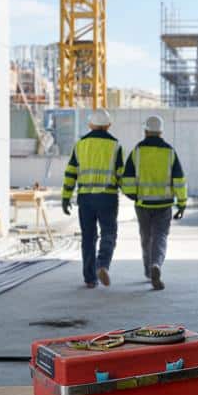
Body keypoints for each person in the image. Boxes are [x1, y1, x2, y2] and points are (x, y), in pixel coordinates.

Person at [121, 114, 187, 291]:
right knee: (160, 237)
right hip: (164, 204)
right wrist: (182, 203)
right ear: (161, 131)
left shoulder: (137, 151)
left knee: (146, 237)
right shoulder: (169, 151)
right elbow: (179, 179)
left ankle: (148, 271)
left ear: (145, 131)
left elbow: (126, 179)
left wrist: (134, 195)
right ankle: (156, 264)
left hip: (143, 204)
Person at [62, 109, 123, 289]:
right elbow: (121, 175)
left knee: (88, 237)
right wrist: (132, 193)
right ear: (108, 125)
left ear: (90, 125)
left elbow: (71, 172)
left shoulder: (80, 145)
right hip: (107, 197)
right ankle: (102, 265)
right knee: (108, 233)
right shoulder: (115, 145)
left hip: (85, 198)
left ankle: (90, 279)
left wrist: (66, 197)